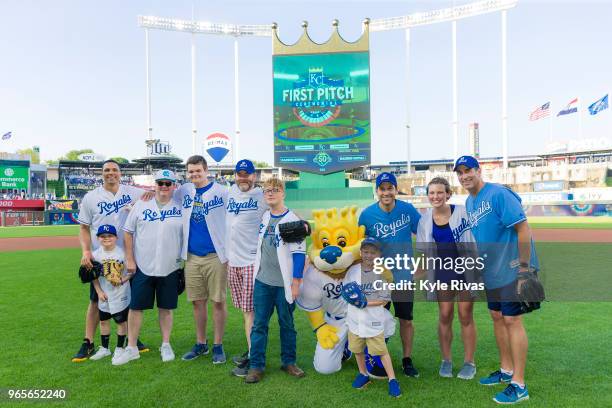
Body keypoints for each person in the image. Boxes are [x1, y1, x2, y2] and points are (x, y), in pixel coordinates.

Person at [454, 155, 539, 404]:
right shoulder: (470, 202)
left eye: (468, 170)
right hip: (493, 271)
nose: (464, 176)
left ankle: (519, 385)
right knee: (497, 317)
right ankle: (506, 370)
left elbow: (523, 229)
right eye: (459, 173)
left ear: (478, 170)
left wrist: (525, 269)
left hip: (513, 268)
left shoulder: (499, 194)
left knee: (512, 319)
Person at [73, 159, 150, 362]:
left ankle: (131, 338)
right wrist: (86, 251)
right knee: (96, 300)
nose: (111, 173)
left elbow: (152, 197)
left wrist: (150, 194)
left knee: (130, 300)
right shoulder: (91, 197)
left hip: (128, 256)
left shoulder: (132, 192)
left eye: (114, 170)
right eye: (107, 170)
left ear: (120, 173)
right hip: (102, 258)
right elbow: (83, 227)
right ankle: (88, 341)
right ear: (102, 173)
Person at [113, 169, 186, 365]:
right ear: (155, 185)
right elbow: (128, 232)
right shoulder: (142, 204)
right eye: (160, 183)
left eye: (168, 183)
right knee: (136, 308)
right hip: (143, 265)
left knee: (166, 308)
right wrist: (129, 259)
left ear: (174, 186)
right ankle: (132, 347)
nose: (164, 186)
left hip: (170, 266)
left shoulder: (181, 207)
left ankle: (165, 344)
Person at [415, 177, 480, 380]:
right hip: (443, 274)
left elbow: (477, 238)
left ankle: (469, 363)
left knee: (465, 315)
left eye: (440, 192)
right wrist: (411, 276)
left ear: (448, 194)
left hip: (465, 271)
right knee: (445, 315)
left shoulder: (462, 212)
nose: (436, 196)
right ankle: (446, 360)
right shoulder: (425, 220)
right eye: (432, 193)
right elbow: (426, 257)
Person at [358, 172, 421, 378]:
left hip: (403, 277)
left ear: (395, 190)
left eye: (390, 188)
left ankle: (407, 359)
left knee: (406, 320)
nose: (386, 192)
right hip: (378, 279)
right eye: (382, 188)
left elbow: (424, 233)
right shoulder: (367, 215)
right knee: (376, 318)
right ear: (377, 191)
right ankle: (376, 358)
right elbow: (359, 246)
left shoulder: (408, 210)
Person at [244, 178, 306, 384]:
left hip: (284, 285)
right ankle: (256, 366)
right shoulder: (264, 217)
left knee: (287, 324)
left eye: (275, 190)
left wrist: (296, 283)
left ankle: (289, 362)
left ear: (283, 193)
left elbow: (299, 254)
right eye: (267, 190)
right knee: (259, 325)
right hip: (262, 281)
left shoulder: (292, 219)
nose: (270, 193)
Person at [179, 155, 229, 364]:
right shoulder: (184, 191)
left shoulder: (223, 192)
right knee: (197, 303)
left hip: (216, 255)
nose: (194, 174)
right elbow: (160, 193)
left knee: (218, 301)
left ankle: (218, 345)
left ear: (206, 170)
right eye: (190, 171)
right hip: (191, 257)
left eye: (198, 170)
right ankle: (201, 343)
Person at [226, 159, 268, 375]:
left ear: (254, 176)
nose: (243, 177)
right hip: (233, 262)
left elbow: (282, 208)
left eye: (247, 174)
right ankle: (252, 349)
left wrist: (302, 224)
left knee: (252, 313)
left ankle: (255, 358)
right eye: (239, 174)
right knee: (246, 312)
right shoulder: (230, 192)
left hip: (252, 261)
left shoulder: (262, 195)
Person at [345, 237, 401, 398]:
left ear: (379, 254)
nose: (369, 255)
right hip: (355, 318)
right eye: (366, 251)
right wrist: (350, 298)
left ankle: (392, 380)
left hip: (373, 319)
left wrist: (364, 302)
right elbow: (347, 290)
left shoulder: (383, 273)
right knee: (357, 349)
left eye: (373, 252)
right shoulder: (353, 270)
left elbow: (384, 300)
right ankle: (363, 374)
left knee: (381, 351)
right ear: (361, 252)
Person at [89, 224, 132, 365]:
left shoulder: (123, 253)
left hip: (121, 293)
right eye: (103, 236)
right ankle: (105, 348)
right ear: (98, 238)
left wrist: (122, 280)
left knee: (120, 321)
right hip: (104, 294)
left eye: (110, 236)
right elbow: (93, 276)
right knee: (103, 321)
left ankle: (120, 348)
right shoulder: (95, 255)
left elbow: (132, 271)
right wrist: (99, 291)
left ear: (116, 237)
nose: (106, 238)